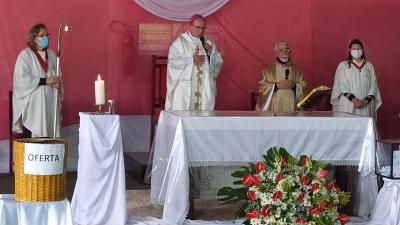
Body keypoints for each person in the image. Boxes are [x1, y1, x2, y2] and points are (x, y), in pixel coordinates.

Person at [12, 23, 62, 138]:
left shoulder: (52, 55)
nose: (45, 38)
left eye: (47, 35)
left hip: (50, 103)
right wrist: (46, 81)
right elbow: (21, 79)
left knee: (49, 138)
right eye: (42, 35)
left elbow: (58, 75)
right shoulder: (25, 55)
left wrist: (58, 83)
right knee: (33, 143)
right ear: (34, 38)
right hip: (34, 106)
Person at [165, 14, 223, 111]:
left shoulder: (209, 43)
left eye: (203, 28)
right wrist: (191, 60)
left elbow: (218, 64)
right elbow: (172, 64)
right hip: (185, 88)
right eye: (198, 27)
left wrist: (210, 55)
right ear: (190, 26)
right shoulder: (180, 42)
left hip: (204, 87)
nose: (201, 31)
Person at [331, 39, 382, 118]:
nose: (356, 51)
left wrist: (365, 101)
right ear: (350, 51)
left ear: (362, 50)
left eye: (358, 49)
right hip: (348, 105)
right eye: (354, 49)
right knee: (348, 127)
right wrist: (354, 100)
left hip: (366, 105)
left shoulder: (369, 66)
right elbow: (342, 84)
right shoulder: (343, 66)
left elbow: (373, 85)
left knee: (365, 128)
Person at [256, 41, 307, 111]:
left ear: (290, 52)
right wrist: (276, 86)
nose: (284, 52)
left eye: (287, 50)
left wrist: (294, 85)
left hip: (293, 109)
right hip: (274, 109)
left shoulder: (298, 72)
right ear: (276, 53)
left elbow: (304, 87)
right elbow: (262, 89)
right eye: (281, 50)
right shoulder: (267, 72)